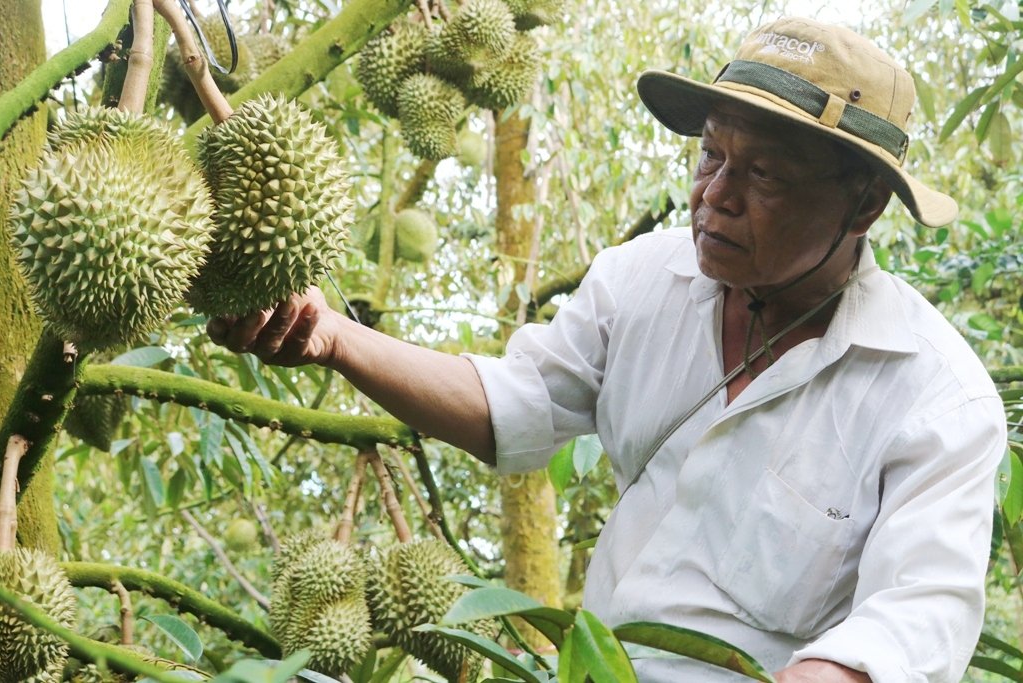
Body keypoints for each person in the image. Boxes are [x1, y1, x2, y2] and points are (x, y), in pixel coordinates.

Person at [207, 16, 1007, 683]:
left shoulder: (934, 397)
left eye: (762, 174)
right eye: (711, 155)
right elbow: (510, 405)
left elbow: (920, 609)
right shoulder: (639, 282)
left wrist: (833, 670)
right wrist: (334, 338)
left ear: (862, 203)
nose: (714, 196)